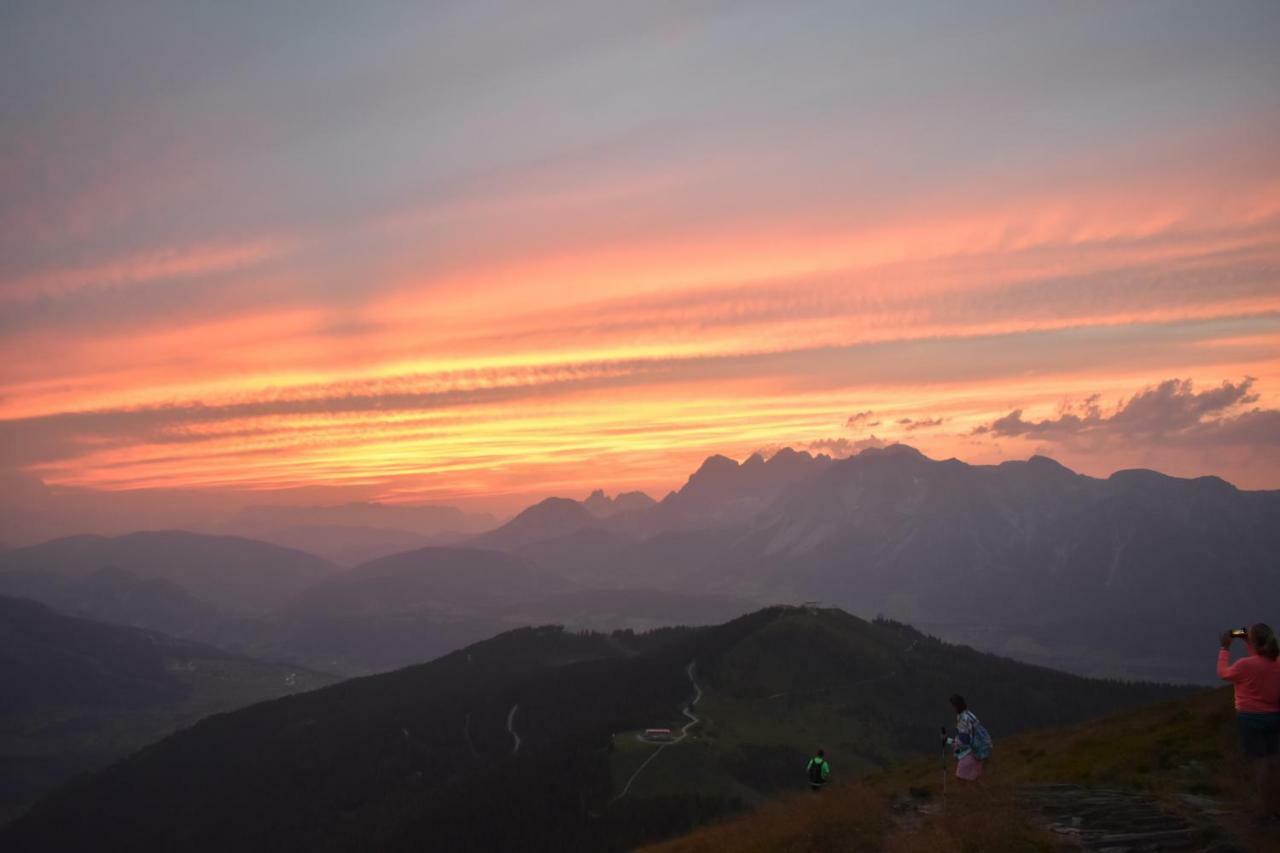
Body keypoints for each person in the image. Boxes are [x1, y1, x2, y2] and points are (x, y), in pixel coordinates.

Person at [1219, 623, 1280, 820]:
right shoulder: (1277, 662)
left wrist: (1225, 648)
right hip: (1274, 716)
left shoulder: (1244, 665)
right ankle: (1276, 807)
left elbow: (1224, 673)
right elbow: (1261, 660)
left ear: (1253, 642)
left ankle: (1265, 811)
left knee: (1261, 764)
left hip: (1250, 718)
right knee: (1274, 762)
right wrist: (1249, 639)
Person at [943, 694, 990, 782]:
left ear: (955, 706)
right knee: (974, 781)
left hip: (971, 753)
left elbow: (964, 742)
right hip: (981, 750)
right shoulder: (969, 715)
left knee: (961, 780)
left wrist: (948, 741)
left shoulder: (963, 720)